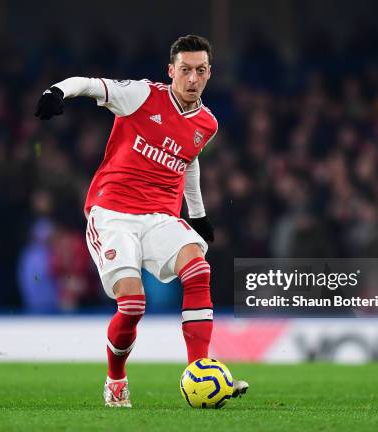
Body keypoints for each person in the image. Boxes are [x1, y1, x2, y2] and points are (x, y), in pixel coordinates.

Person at [35, 34, 248, 407]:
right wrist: (57, 92)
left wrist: (196, 215)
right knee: (133, 305)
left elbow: (188, 160)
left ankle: (200, 371)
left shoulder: (207, 123)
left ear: (209, 73)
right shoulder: (141, 95)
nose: (192, 79)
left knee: (198, 270)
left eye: (200, 71)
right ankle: (116, 379)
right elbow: (88, 84)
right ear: (171, 71)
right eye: (185, 70)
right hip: (113, 213)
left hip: (159, 216)